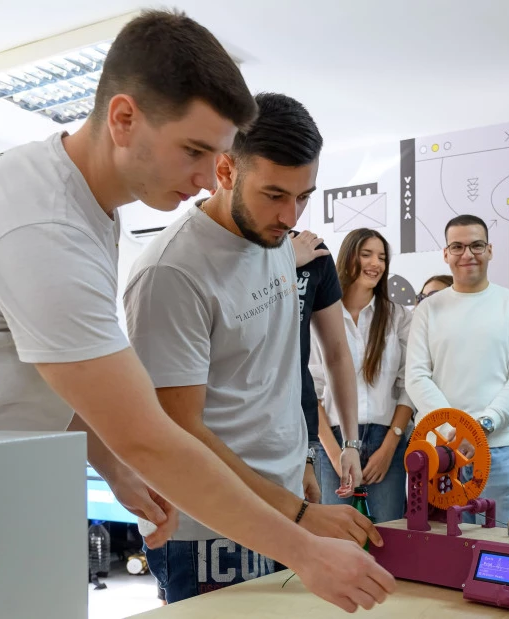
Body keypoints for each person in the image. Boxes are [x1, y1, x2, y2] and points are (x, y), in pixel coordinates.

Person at [0, 11, 393, 612]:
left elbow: (55, 373)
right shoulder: (46, 227)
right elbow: (152, 434)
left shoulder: (75, 203)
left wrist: (114, 468)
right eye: (194, 151)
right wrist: (304, 548)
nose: (207, 179)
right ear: (124, 119)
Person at [123, 93, 383, 602]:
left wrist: (299, 464)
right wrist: (298, 514)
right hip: (210, 527)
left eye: (303, 196)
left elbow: (276, 373)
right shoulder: (171, 273)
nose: (290, 215)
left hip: (283, 502)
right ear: (224, 170)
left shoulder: (275, 242)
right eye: (274, 194)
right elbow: (180, 434)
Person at [406, 214, 509, 524]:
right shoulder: (427, 310)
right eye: (458, 247)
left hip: (497, 450)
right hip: (438, 454)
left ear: (489, 250)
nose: (467, 254)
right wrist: (453, 433)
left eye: (476, 245)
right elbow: (417, 377)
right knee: (439, 547)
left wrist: (481, 427)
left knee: (507, 545)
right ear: (446, 253)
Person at [312, 228, 414, 522]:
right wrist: (336, 455)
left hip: (386, 439)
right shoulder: (321, 316)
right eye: (366, 254)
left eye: (382, 257)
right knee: (338, 536)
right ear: (347, 258)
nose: (375, 264)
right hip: (332, 440)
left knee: (390, 535)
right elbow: (311, 390)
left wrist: (389, 447)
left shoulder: (399, 316)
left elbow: (408, 386)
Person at [290, 229, 363, 504]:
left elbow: (337, 354)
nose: (290, 214)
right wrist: (283, 262)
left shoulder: (313, 252)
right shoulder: (215, 246)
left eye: (301, 204)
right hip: (227, 430)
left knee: (302, 525)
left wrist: (351, 444)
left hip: (300, 428)